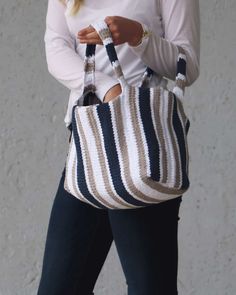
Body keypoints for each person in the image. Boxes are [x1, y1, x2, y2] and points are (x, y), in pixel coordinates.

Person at [37, 0, 200, 294]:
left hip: (144, 146)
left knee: (149, 287)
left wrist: (139, 37)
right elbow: (56, 49)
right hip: (88, 144)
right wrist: (106, 86)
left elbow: (186, 65)